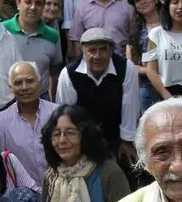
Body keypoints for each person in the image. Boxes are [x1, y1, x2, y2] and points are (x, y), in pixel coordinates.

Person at [56, 28, 139, 166]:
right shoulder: (68, 74)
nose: (98, 56)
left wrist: (126, 141)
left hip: (116, 135)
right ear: (83, 52)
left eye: (103, 49)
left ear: (110, 51)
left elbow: (130, 106)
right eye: (92, 50)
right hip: (82, 138)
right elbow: (64, 114)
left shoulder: (126, 68)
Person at [0, 61, 59, 185]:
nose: (24, 87)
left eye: (30, 81)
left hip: (59, 188)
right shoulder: (0, 122)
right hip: (23, 193)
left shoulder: (57, 114)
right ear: (10, 87)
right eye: (18, 83)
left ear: (39, 83)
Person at [2, 0, 63, 99]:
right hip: (6, 100)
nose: (33, 7)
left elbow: (54, 72)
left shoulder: (52, 36)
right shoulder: (2, 30)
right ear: (18, 4)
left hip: (40, 99)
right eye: (28, 2)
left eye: (38, 3)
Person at [68, 0, 135, 58]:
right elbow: (76, 39)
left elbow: (133, 38)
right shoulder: (82, 9)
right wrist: (81, 63)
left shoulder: (127, 6)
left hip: (121, 60)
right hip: (92, 61)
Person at [125, 0, 163, 113]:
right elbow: (130, 66)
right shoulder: (135, 31)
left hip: (172, 83)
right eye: (138, 0)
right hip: (146, 88)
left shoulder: (171, 24)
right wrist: (150, 71)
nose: (142, 2)